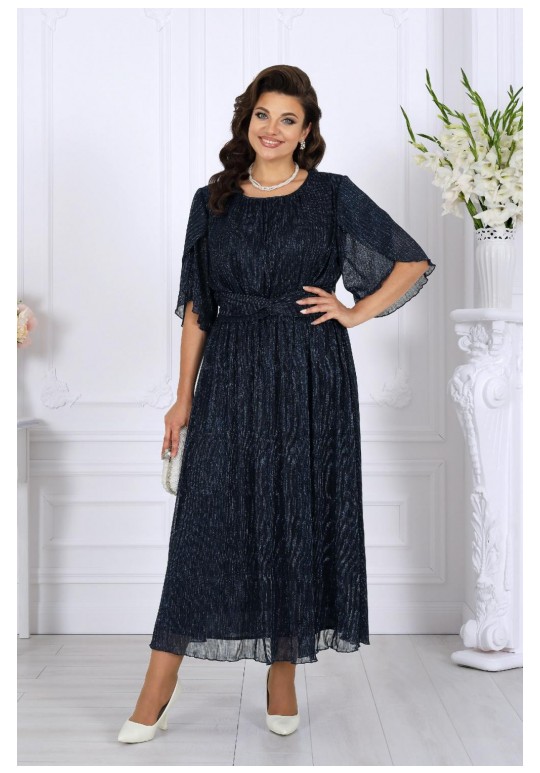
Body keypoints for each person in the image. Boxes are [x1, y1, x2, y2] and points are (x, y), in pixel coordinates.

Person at [118, 64, 436, 743]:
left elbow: (411, 262)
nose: (272, 128)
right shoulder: (212, 201)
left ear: (306, 130)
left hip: (310, 371)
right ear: (247, 121)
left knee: (295, 513)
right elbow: (198, 305)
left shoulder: (332, 195)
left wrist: (354, 311)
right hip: (230, 370)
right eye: (263, 114)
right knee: (204, 522)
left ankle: (282, 670)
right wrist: (182, 399)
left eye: (288, 119)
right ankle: (157, 683)